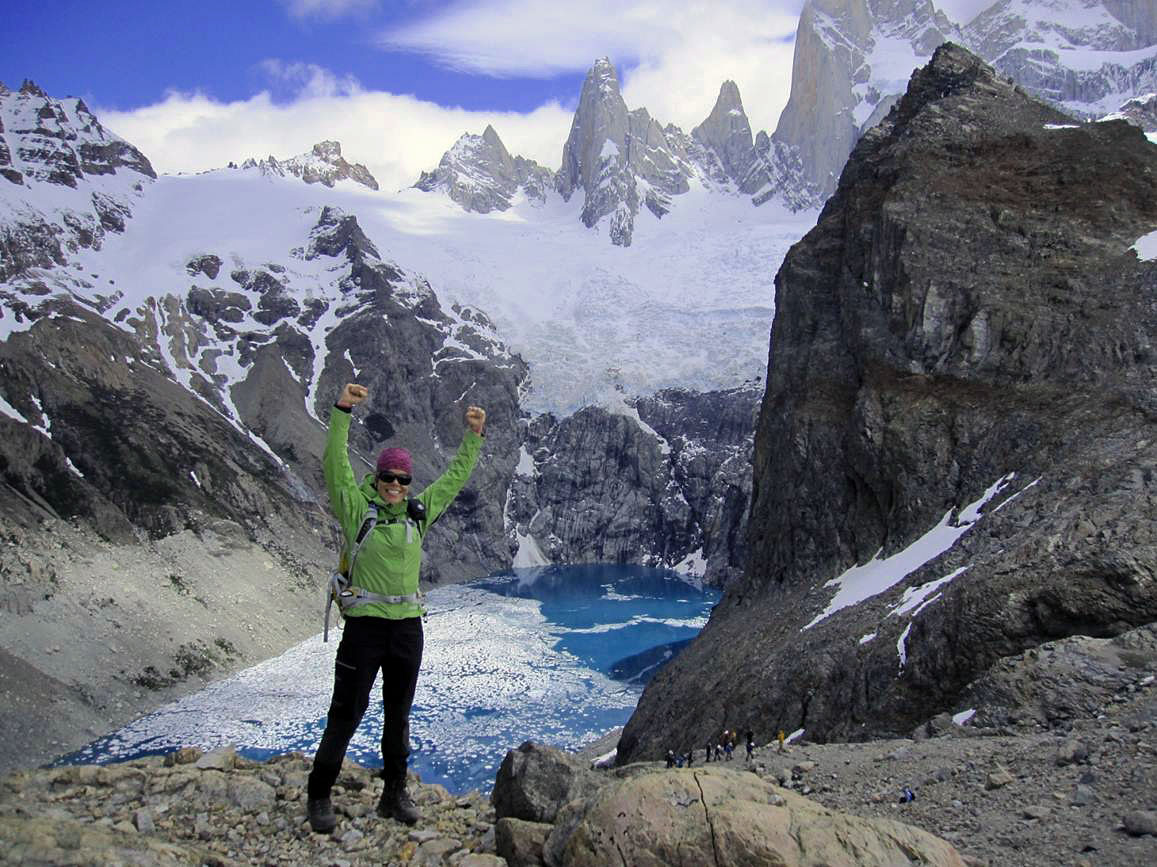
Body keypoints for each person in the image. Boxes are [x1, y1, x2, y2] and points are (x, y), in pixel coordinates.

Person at [306, 383, 486, 834]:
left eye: (403, 479)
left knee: (398, 714)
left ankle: (394, 794)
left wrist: (473, 438)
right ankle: (318, 795)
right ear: (379, 477)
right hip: (364, 628)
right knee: (346, 713)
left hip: (407, 628)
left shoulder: (417, 515)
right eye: (388, 477)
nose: (394, 485)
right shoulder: (355, 507)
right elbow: (335, 464)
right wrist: (343, 409)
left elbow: (452, 480)